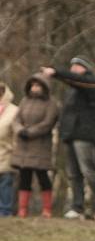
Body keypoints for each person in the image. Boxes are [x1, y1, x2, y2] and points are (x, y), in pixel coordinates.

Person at [41, 57, 95, 221]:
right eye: (72, 66)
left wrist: (55, 73)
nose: (74, 69)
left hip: (85, 135)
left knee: (88, 170)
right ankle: (77, 207)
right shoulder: (72, 90)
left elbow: (76, 80)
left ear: (85, 68)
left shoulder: (91, 83)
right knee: (73, 173)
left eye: (77, 66)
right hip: (71, 134)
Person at [10, 74, 59, 218]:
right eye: (33, 85)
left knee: (42, 176)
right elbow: (16, 119)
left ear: (44, 87)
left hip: (40, 146)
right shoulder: (25, 101)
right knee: (24, 177)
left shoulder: (51, 103)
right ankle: (22, 209)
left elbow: (48, 123)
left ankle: (47, 209)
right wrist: (20, 130)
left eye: (37, 85)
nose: (34, 88)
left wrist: (30, 132)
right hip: (23, 146)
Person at [0, 82, 19, 217]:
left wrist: (15, 151)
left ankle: (5, 212)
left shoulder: (14, 110)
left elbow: (17, 134)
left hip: (7, 152)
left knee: (6, 183)